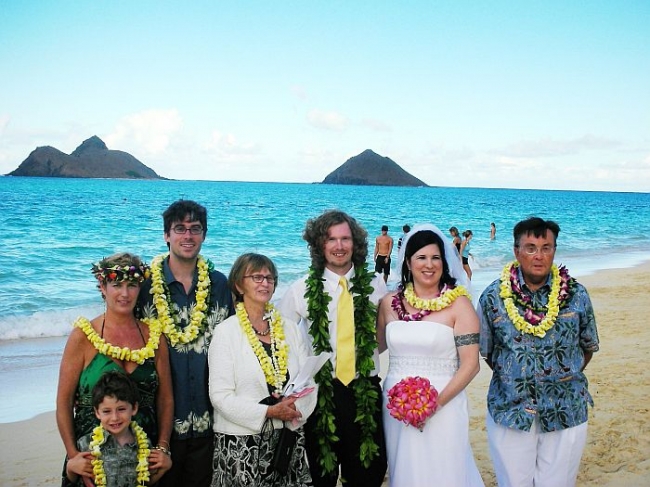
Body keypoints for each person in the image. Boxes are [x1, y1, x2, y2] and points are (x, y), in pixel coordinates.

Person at [478, 217, 599, 487]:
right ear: (516, 251)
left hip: (566, 409)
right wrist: (518, 375)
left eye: (546, 247)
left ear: (555, 251)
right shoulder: (492, 297)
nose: (538, 255)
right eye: (530, 247)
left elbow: (588, 347)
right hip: (510, 410)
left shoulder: (577, 294)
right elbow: (487, 351)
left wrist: (561, 375)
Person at [278, 210, 388, 487]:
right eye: (331, 239)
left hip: (366, 390)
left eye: (345, 239)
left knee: (368, 472)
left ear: (356, 243)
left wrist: (368, 353)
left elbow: (386, 333)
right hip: (320, 394)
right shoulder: (300, 288)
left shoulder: (375, 284)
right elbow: (283, 340)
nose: (339, 246)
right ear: (319, 245)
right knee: (320, 475)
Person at [377, 224, 484, 486]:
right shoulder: (389, 303)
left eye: (436, 257)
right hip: (396, 406)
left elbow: (470, 365)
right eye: (421, 258)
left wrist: (432, 405)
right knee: (405, 470)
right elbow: (373, 349)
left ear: (444, 262)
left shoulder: (459, 305)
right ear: (408, 263)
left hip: (444, 403)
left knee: (445, 471)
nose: (429, 265)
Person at [137, 200, 234, 487]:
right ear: (166, 235)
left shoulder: (219, 285)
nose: (188, 236)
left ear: (204, 235)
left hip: (211, 421)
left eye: (195, 229)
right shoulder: (143, 287)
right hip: (159, 426)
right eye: (180, 229)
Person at [57, 252, 173, 487]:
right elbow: (63, 402)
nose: (124, 293)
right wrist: (73, 457)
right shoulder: (83, 336)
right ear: (102, 286)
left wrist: (163, 447)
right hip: (92, 458)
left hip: (142, 458)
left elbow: (166, 399)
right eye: (116, 284)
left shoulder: (154, 337)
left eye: (132, 285)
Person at [208, 253, 317, 486]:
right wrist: (268, 412)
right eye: (256, 277)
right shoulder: (226, 332)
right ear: (239, 284)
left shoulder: (289, 328)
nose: (265, 282)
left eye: (270, 278)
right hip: (242, 445)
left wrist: (295, 408)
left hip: (287, 439)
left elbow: (309, 381)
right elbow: (220, 396)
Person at [67, 371, 171, 486]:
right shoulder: (86, 444)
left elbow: (146, 482)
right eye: (106, 411)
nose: (115, 418)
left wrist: (163, 468)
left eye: (121, 409)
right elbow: (74, 479)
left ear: (134, 408)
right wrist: (71, 467)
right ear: (97, 412)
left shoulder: (145, 445)